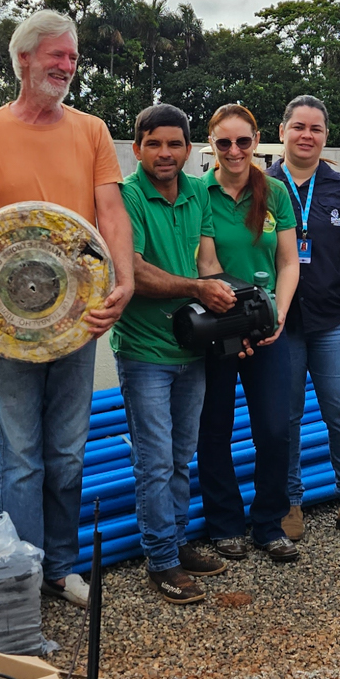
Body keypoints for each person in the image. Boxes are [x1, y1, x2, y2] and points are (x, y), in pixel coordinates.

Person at [0, 10, 134, 607]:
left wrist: (124, 281)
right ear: (24, 59)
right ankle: (23, 574)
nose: (68, 66)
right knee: (20, 454)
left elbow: (111, 214)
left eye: (73, 58)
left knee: (68, 451)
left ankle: (60, 567)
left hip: (77, 316)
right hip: (7, 320)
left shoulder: (91, 131)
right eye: (57, 56)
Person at [111, 105, 234, 604]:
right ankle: (161, 560)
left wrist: (232, 307)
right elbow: (133, 271)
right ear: (137, 148)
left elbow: (208, 261)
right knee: (155, 460)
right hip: (144, 350)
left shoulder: (197, 192)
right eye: (154, 144)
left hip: (192, 345)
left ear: (188, 149)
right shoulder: (126, 196)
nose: (165, 153)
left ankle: (177, 542)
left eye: (174, 144)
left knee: (182, 456)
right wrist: (198, 289)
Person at [269, 95, 340, 544]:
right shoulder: (262, 186)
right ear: (282, 132)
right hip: (280, 324)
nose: (306, 135)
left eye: (315, 129)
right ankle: (290, 502)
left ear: (325, 136)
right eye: (298, 127)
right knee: (286, 418)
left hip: (335, 321)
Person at [195, 104, 303, 565]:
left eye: (243, 141)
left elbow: (288, 261)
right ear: (212, 145)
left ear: (257, 141)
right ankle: (224, 525)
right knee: (214, 429)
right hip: (220, 326)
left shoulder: (274, 191)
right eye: (224, 142)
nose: (234, 150)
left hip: (268, 328)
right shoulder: (199, 192)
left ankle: (268, 524)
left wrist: (278, 315)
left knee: (276, 429)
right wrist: (236, 323)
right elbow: (207, 264)